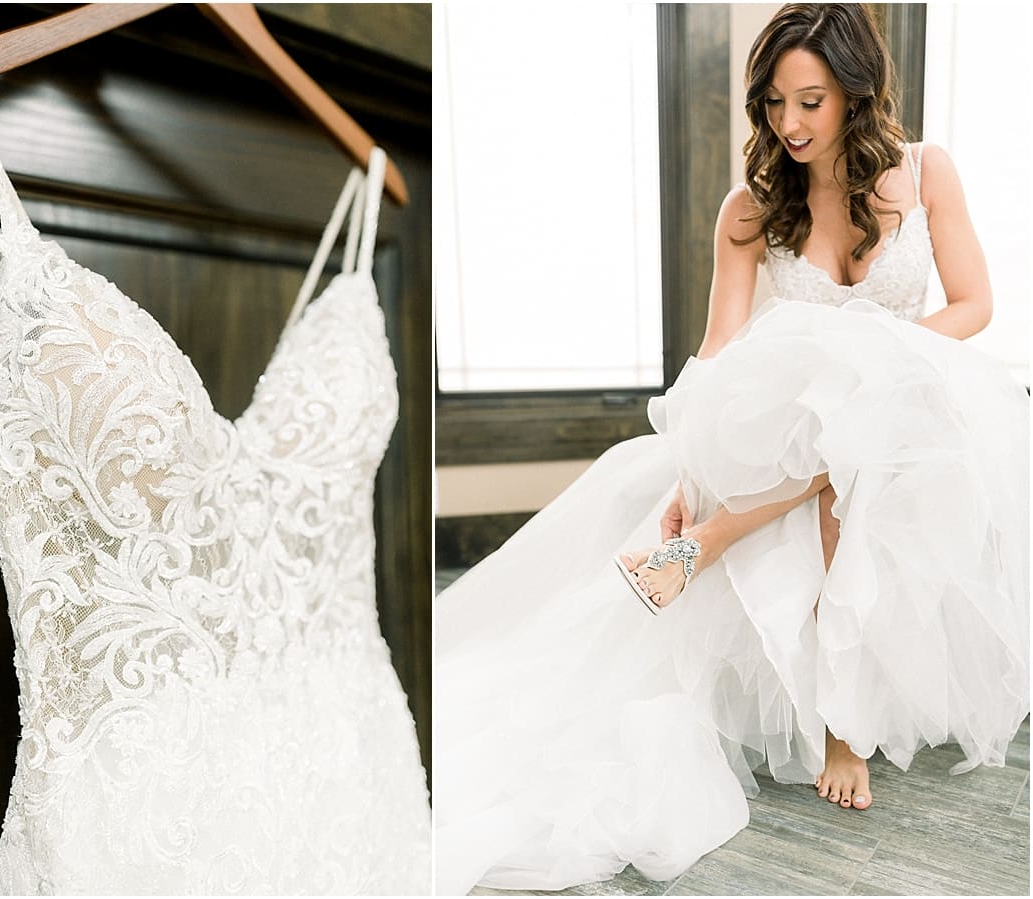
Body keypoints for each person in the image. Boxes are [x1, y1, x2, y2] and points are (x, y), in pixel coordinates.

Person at [435, 4, 1029, 894]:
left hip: (912, 404)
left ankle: (735, 581)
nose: (789, 125)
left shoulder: (924, 172)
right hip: (802, 432)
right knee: (824, 445)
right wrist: (688, 468)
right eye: (775, 104)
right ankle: (832, 715)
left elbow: (974, 306)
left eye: (812, 102)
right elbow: (719, 354)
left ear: (856, 96)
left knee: (853, 415)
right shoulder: (750, 209)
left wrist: (875, 360)